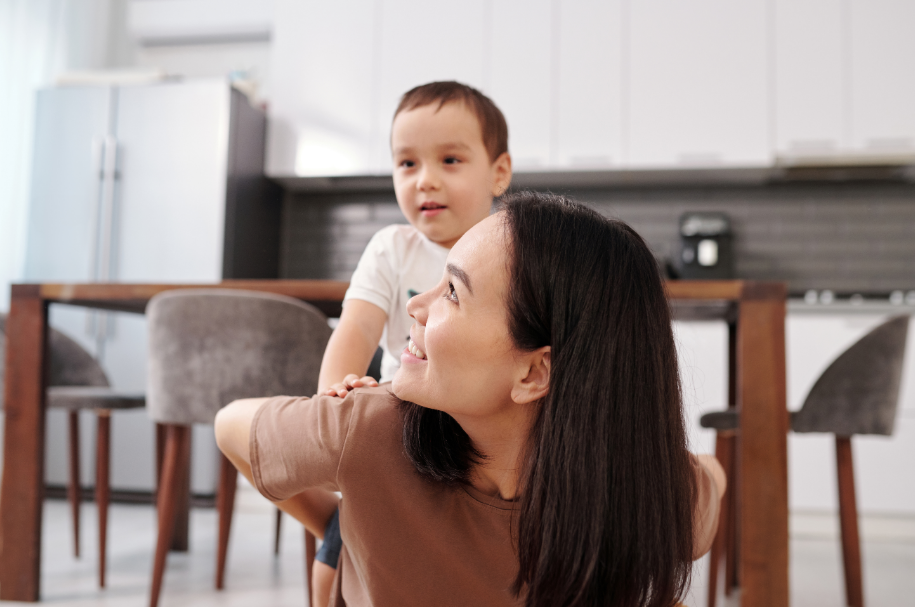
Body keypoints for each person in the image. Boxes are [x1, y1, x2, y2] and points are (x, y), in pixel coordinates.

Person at [215, 192, 727, 607]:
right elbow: (231, 427)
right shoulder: (367, 428)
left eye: (452, 294)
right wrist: (339, 522)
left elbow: (706, 484)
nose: (415, 305)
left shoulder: (644, 489)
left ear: (534, 371)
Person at [309, 81, 513, 603]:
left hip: (485, 433)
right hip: (406, 421)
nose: (426, 181)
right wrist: (335, 395)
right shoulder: (391, 249)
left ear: (499, 172)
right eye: (407, 164)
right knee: (331, 568)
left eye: (449, 160)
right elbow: (355, 330)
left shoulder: (514, 254)